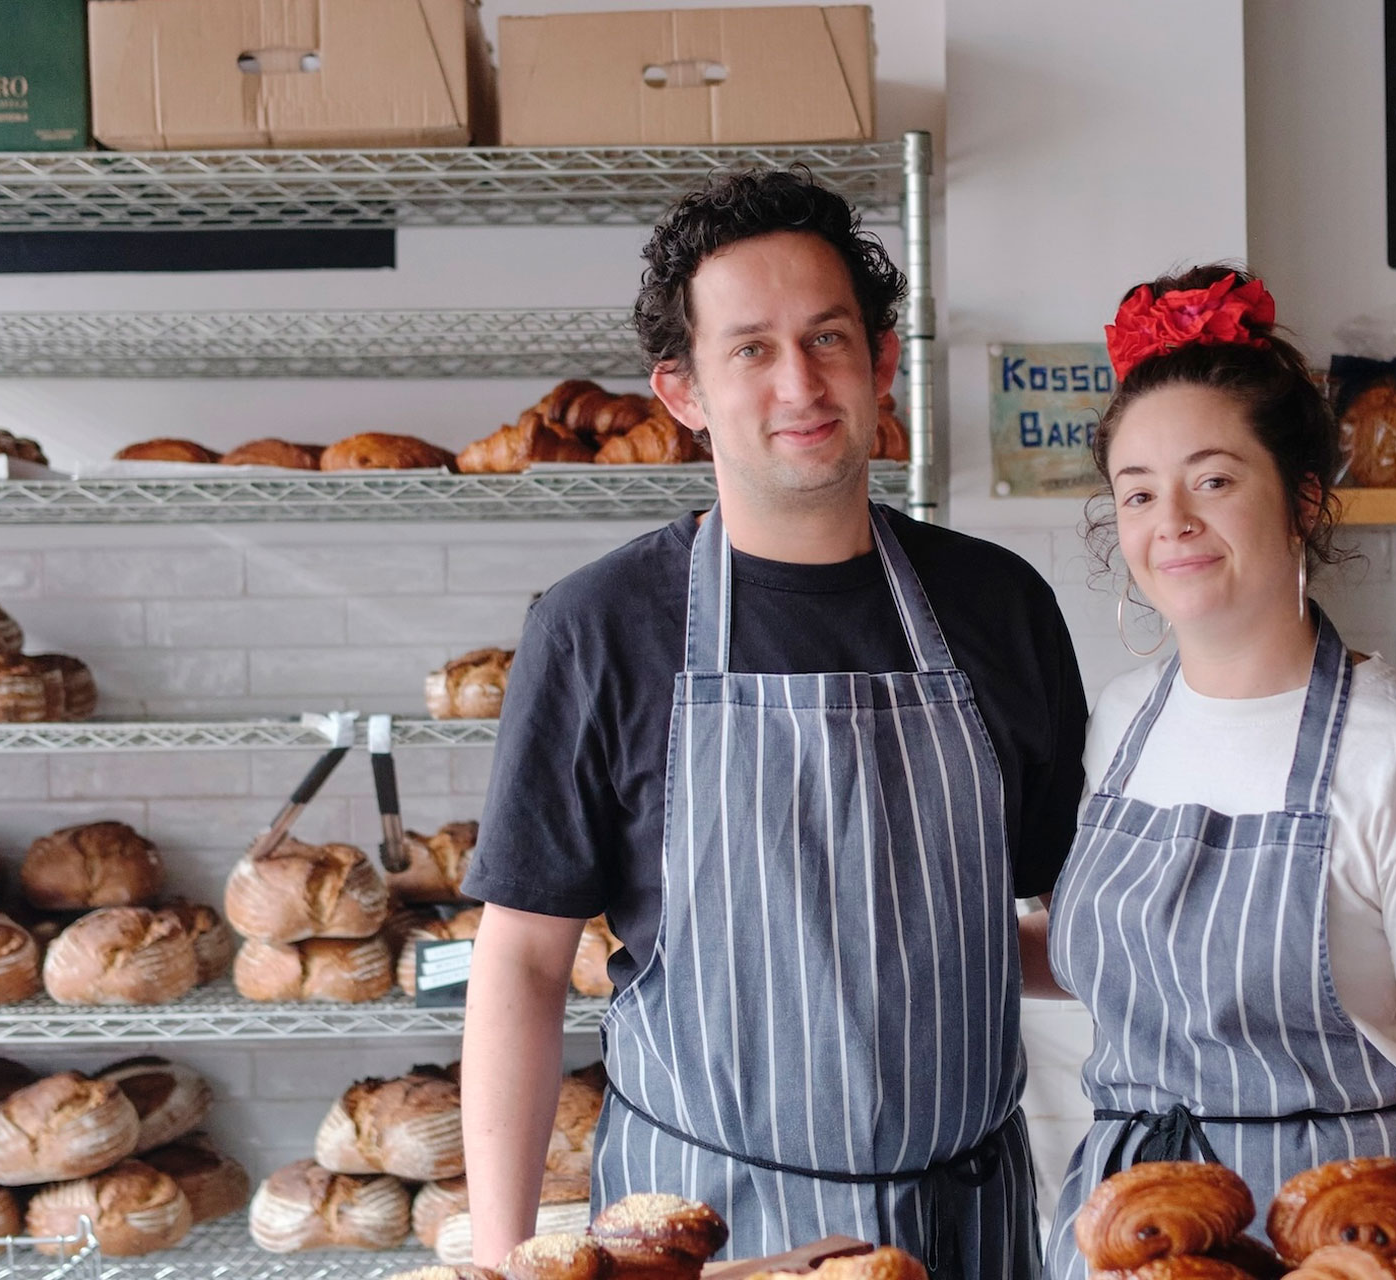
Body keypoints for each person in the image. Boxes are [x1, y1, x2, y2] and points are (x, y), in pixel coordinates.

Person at [457, 167, 1088, 1280]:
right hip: (703, 1231)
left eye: (830, 338)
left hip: (967, 1229)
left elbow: (1043, 925)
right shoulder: (597, 628)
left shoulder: (1000, 605)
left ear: (882, 362)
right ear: (682, 389)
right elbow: (523, 962)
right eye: (750, 347)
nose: (801, 381)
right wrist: (512, 1261)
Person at [1027, 265, 1396, 1278]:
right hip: (1122, 1234)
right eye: (1138, 491)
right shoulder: (1125, 722)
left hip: (1327, 1242)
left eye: (1212, 479)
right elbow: (1118, 960)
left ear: (1303, 497)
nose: (1169, 519)